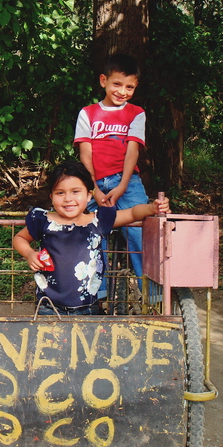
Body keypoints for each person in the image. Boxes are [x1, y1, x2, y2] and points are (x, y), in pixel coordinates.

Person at [13, 162, 169, 315]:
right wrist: (29, 254)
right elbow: (20, 238)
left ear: (89, 195)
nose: (68, 198)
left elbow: (133, 213)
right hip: (48, 307)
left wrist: (152, 208)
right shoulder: (44, 221)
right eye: (60, 193)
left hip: (88, 307)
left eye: (75, 191)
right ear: (51, 197)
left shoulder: (97, 221)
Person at [74, 53, 148, 292]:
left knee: (141, 230)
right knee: (92, 235)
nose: (122, 91)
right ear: (103, 80)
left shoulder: (136, 113)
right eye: (117, 84)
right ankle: (97, 296)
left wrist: (122, 186)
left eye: (129, 87)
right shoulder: (88, 113)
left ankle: (152, 293)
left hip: (126, 182)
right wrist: (93, 189)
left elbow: (132, 152)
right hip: (93, 184)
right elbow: (85, 155)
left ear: (135, 87)